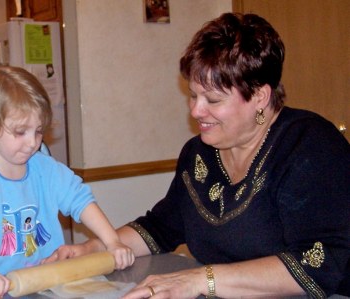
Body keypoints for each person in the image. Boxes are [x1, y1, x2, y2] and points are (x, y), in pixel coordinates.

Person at [44, 12, 350, 298]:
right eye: (193, 95)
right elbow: (160, 227)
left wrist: (200, 279)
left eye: (213, 100)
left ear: (260, 97)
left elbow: (320, 262)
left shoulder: (311, 148)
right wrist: (97, 247)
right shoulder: (199, 154)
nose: (195, 110)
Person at [0, 66, 135, 299]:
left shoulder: (45, 169)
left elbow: (81, 200)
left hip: (42, 286)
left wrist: (113, 242)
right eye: (20, 132)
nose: (32, 143)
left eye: (38, 131)